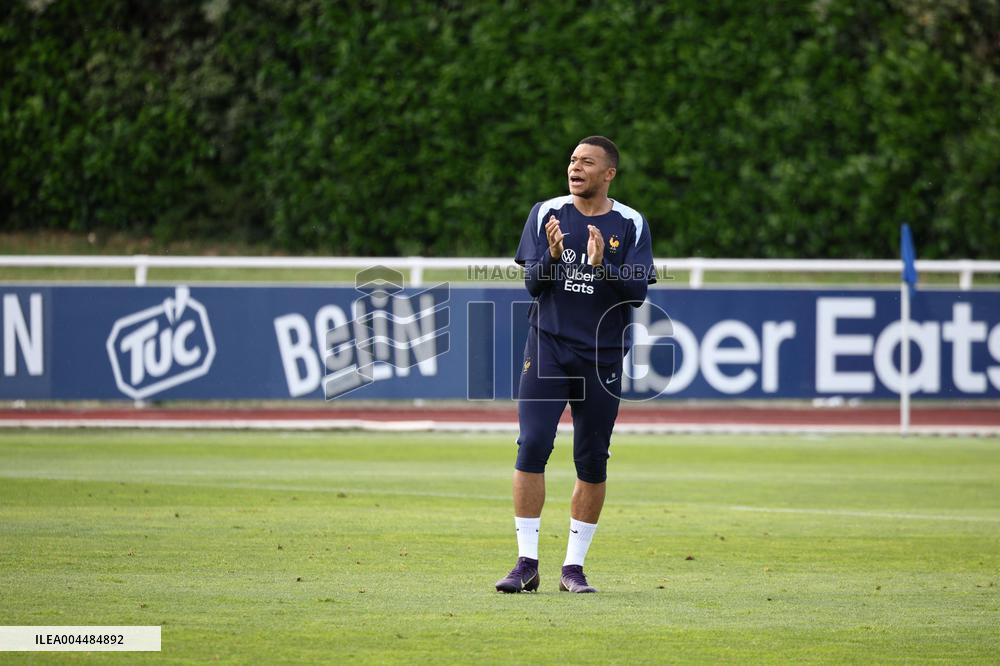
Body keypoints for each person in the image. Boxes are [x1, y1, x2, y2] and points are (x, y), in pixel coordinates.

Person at [495, 136, 656, 593]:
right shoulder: (546, 212)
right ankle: (526, 564)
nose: (575, 167)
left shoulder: (631, 222)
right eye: (571, 160)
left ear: (609, 174)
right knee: (532, 445)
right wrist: (548, 256)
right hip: (547, 349)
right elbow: (532, 284)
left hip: (602, 356)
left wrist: (604, 265)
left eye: (587, 162)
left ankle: (573, 569)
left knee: (591, 460)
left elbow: (637, 292)